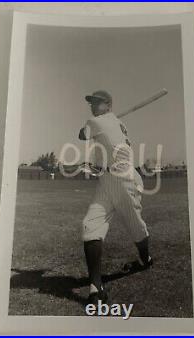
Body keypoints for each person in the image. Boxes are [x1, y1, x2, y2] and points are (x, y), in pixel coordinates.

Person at [79, 90, 152, 304]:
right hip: (106, 180)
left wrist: (94, 123)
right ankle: (95, 288)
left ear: (108, 104)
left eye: (98, 102)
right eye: (91, 102)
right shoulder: (115, 123)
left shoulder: (97, 122)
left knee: (136, 228)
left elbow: (81, 134)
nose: (93, 106)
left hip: (124, 179)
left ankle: (145, 259)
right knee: (90, 226)